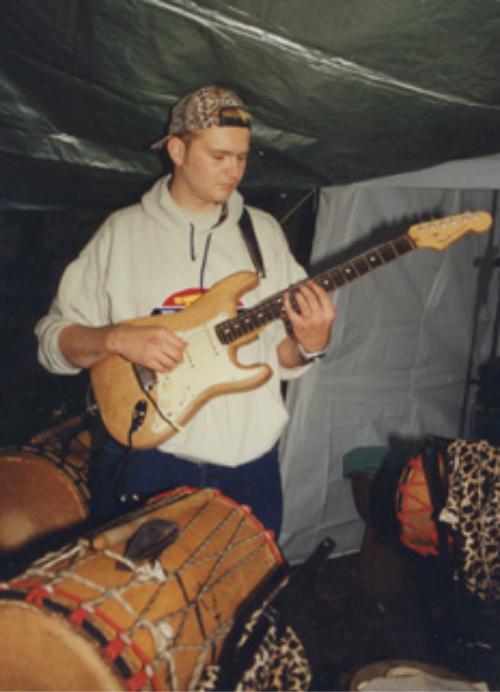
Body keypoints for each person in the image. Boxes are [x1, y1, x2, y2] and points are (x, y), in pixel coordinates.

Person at [35, 86, 335, 537]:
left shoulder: (264, 233)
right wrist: (114, 338)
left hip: (250, 471)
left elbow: (280, 355)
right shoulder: (123, 233)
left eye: (242, 157)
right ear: (177, 151)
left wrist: (311, 344)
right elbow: (52, 341)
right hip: (148, 466)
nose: (234, 171)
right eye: (219, 156)